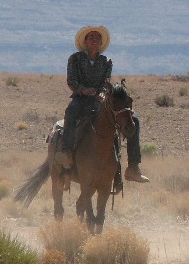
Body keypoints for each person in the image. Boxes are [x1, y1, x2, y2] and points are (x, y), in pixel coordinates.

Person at [55, 26, 149, 183]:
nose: (94, 40)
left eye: (97, 37)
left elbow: (106, 83)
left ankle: (133, 167)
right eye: (91, 37)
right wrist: (83, 90)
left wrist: (101, 93)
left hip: (99, 101)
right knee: (71, 111)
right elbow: (71, 81)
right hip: (80, 98)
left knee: (133, 120)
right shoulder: (75, 59)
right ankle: (67, 151)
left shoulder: (106, 62)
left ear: (101, 42)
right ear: (85, 41)